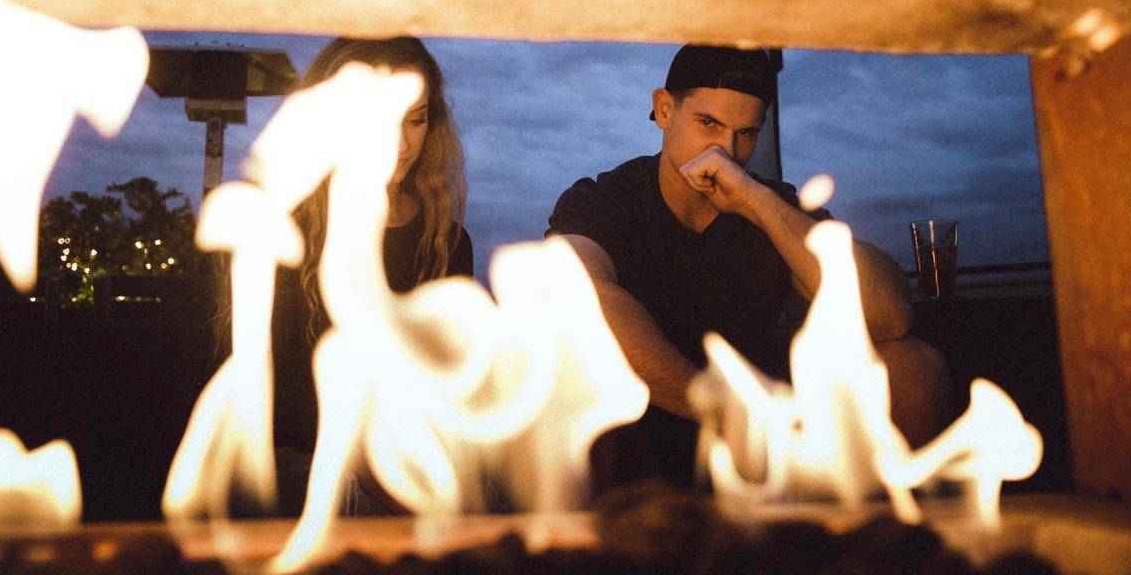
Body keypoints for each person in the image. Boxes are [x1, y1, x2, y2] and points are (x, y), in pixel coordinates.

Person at [547, 43, 951, 489]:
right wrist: (720, 411)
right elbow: (584, 302)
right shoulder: (602, 201)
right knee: (566, 386)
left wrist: (756, 202)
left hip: (766, 428)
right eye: (708, 124)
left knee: (914, 366)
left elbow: (890, 313)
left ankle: (883, 550)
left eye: (746, 133)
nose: (726, 150)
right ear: (664, 110)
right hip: (644, 420)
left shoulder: (769, 204)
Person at [270, 36, 473, 515]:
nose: (402, 145)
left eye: (417, 119)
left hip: (414, 456)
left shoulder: (444, 239)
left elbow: (445, 381)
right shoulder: (285, 232)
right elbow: (286, 395)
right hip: (308, 457)